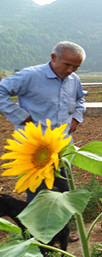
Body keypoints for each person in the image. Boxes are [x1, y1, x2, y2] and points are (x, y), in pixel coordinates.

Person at [0, 41, 86, 241]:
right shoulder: (30, 76)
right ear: (53, 57)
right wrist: (20, 115)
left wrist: (76, 117)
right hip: (34, 150)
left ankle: (64, 233)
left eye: (76, 67)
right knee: (39, 195)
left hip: (62, 148)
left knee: (64, 193)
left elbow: (81, 99)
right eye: (67, 65)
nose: (70, 70)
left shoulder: (73, 80)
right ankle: (39, 237)